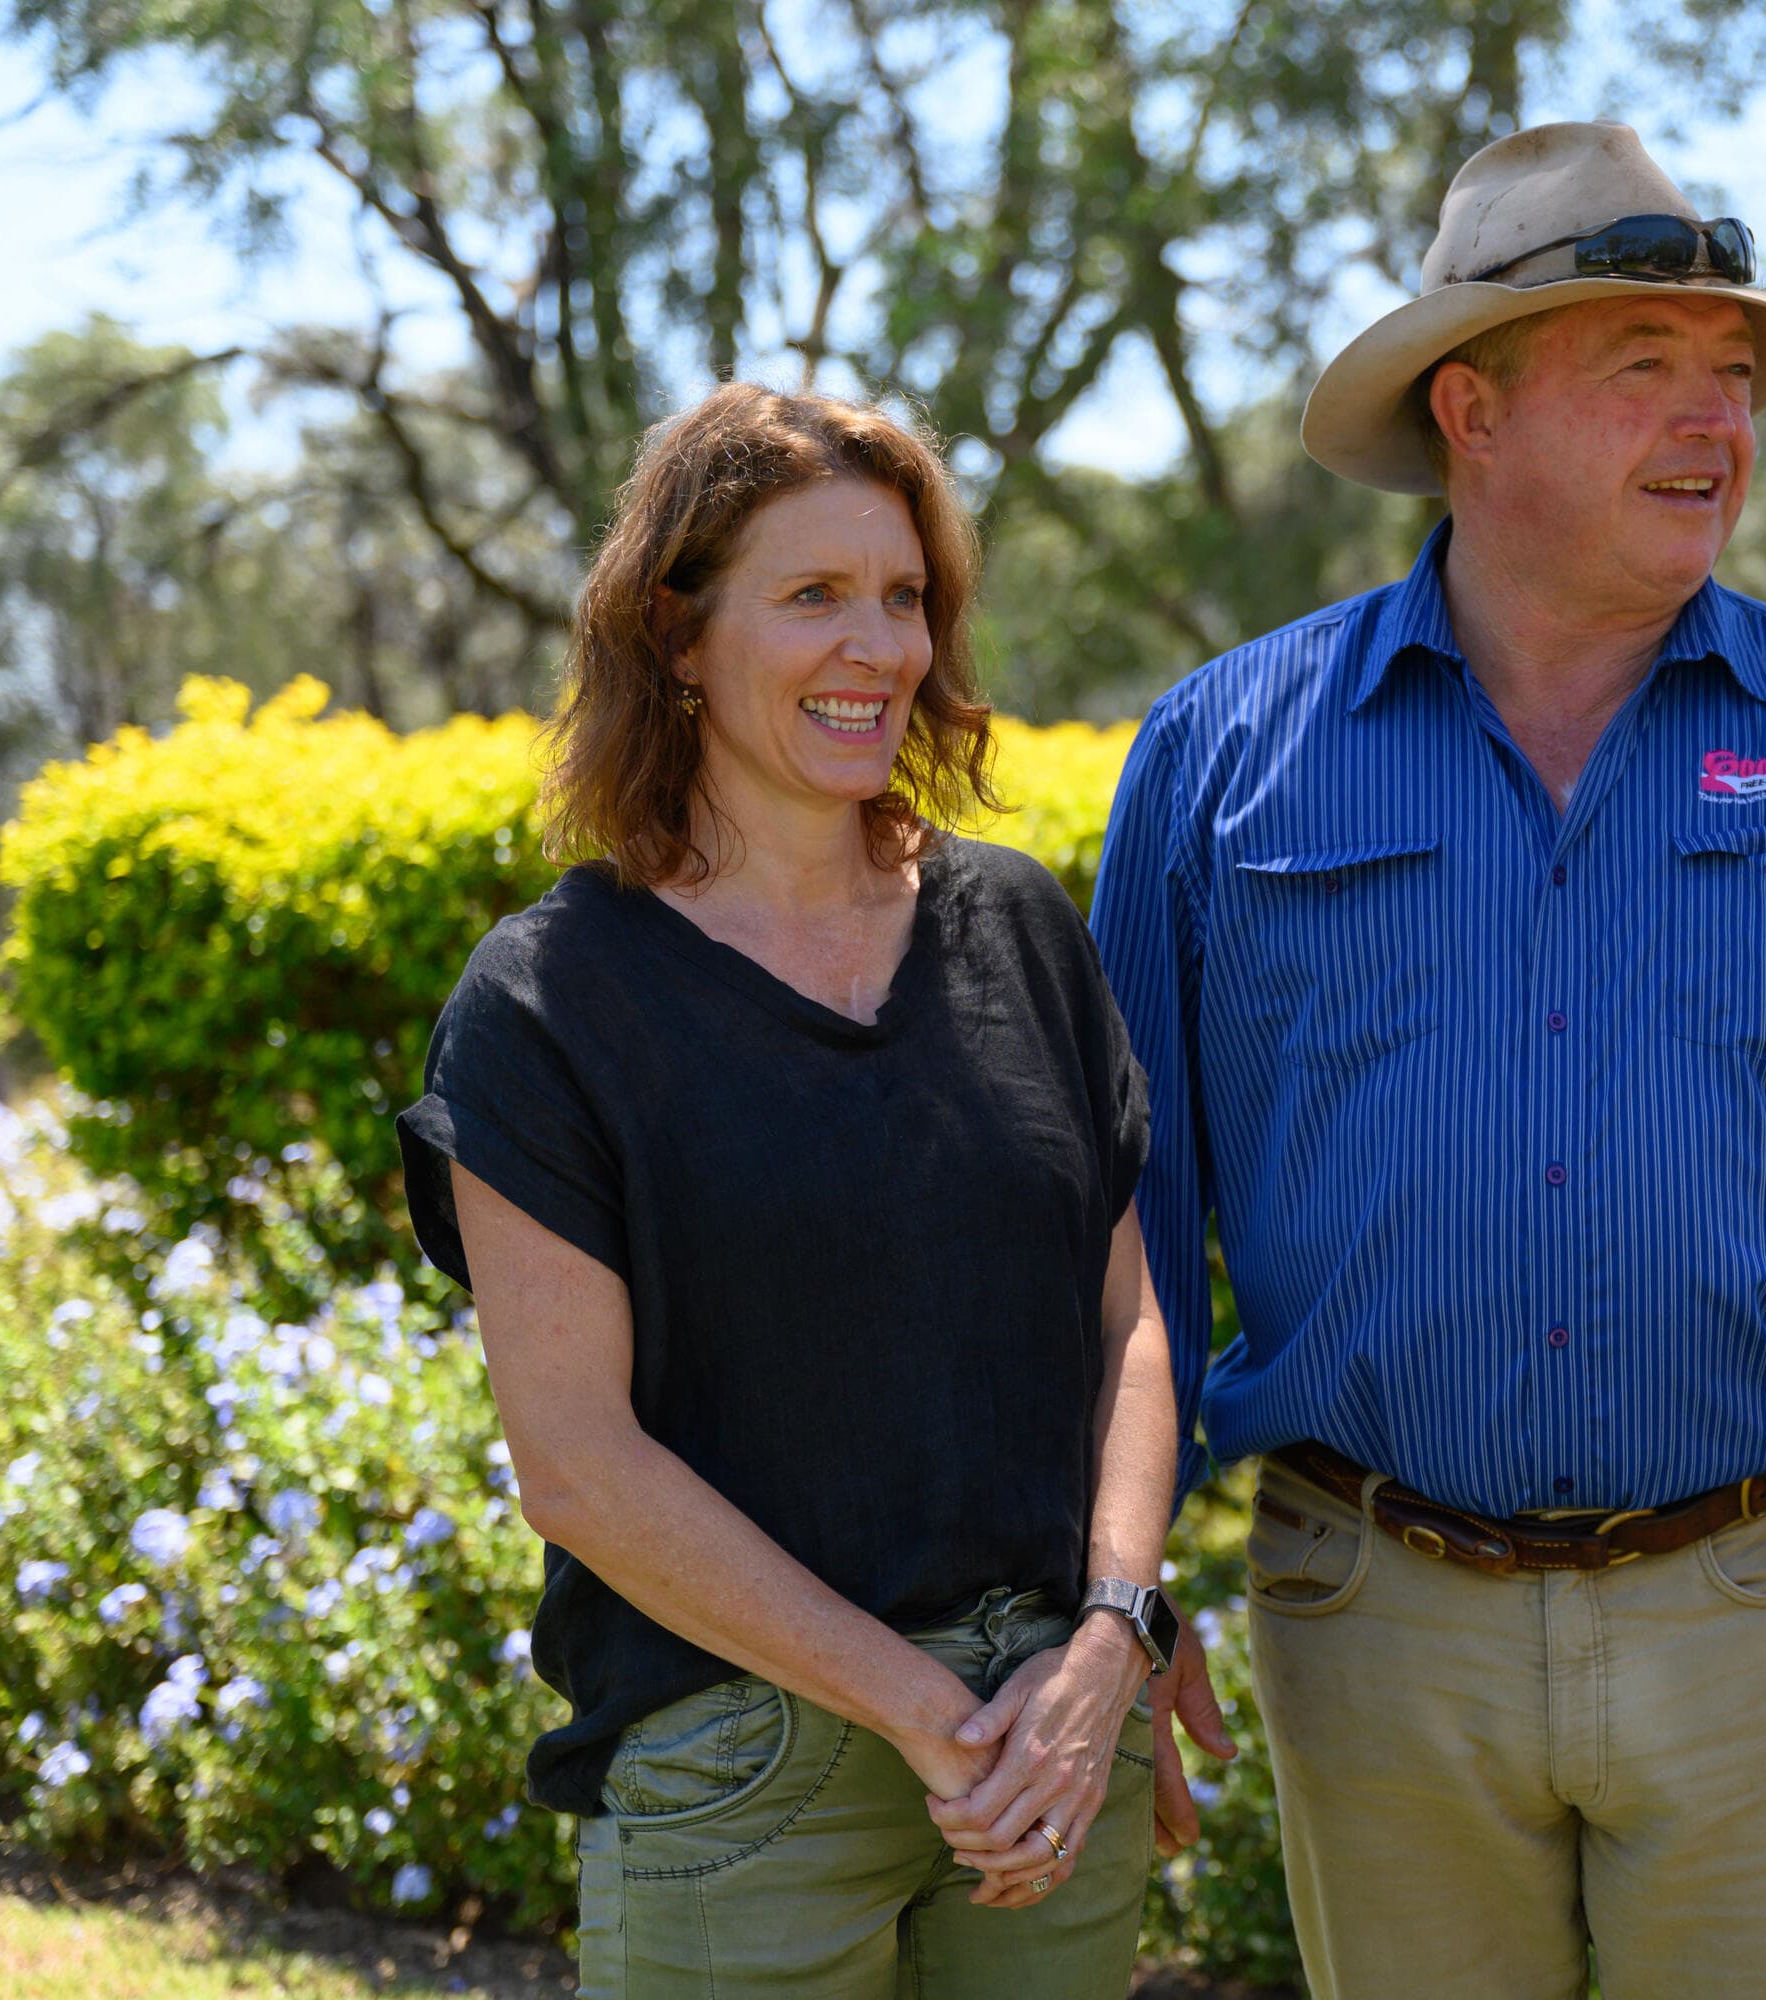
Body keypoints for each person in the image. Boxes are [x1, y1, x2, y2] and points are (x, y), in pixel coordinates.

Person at [1095, 122, 1766, 1997]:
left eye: (1732, 374)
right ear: (1473, 411)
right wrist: (1116, 1583)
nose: (1715, 421)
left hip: (1756, 1605)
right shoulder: (1218, 755)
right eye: (1645, 365)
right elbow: (1127, 1218)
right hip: (1371, 1614)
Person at [395, 384, 1186, 1999]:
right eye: (813, 595)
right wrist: (918, 1709)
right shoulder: (549, 1002)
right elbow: (579, 1468)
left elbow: (1132, 1329)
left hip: (1052, 1740)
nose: (877, 647)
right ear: (676, 635)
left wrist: (1117, 1636)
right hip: (746, 1757)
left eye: (903, 596)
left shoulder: (1021, 926)